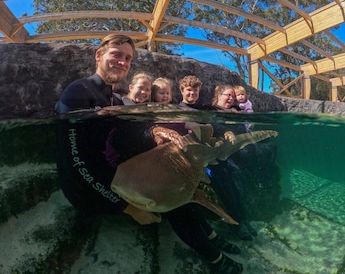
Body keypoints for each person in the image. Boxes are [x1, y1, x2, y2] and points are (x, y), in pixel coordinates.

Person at [55, 34, 242, 274]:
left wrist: (155, 131)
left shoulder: (112, 99)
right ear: (99, 55)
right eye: (116, 54)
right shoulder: (78, 93)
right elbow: (75, 163)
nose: (122, 62)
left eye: (128, 58)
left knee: (177, 184)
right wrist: (127, 206)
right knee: (173, 200)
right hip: (86, 192)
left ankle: (212, 235)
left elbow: (130, 134)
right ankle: (215, 259)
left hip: (110, 177)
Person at [208, 85, 258, 241]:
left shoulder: (236, 111)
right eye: (227, 95)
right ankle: (236, 224)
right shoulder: (211, 111)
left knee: (238, 189)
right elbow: (212, 126)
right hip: (216, 160)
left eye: (232, 96)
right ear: (218, 96)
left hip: (233, 158)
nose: (230, 98)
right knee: (228, 189)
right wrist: (224, 131)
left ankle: (243, 220)